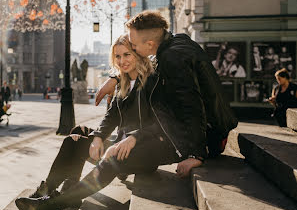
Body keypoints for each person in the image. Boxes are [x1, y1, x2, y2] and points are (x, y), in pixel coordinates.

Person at [15, 35, 196, 210]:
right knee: (73, 141)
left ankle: (55, 204)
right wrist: (98, 138)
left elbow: (164, 122)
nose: (122, 61)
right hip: (122, 146)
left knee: (112, 158)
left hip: (147, 150)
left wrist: (134, 137)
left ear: (137, 54)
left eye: (127, 54)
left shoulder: (153, 81)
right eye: (117, 56)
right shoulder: (123, 84)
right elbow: (110, 119)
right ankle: (46, 192)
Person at [95, 10, 238, 161]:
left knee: (117, 159)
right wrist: (116, 78)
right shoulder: (177, 42)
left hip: (211, 138)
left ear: (150, 44)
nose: (133, 48)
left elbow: (191, 106)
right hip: (218, 128)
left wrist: (195, 155)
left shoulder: (172, 58)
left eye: (134, 45)